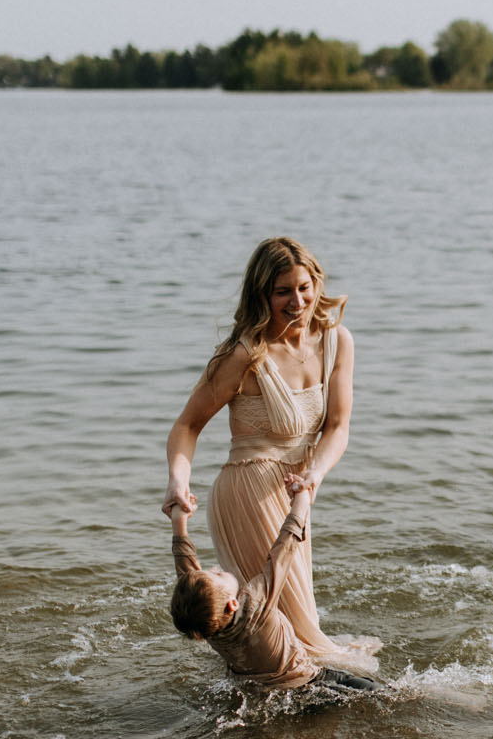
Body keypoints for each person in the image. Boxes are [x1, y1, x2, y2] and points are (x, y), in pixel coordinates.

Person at [163, 238, 380, 675]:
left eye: (304, 287)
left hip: (299, 486)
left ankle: (262, 699)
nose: (297, 301)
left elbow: (338, 428)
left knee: (289, 621)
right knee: (286, 623)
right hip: (249, 491)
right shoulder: (246, 353)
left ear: (317, 284)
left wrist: (313, 477)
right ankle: (310, 700)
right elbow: (187, 427)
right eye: (283, 291)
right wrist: (177, 479)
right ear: (262, 294)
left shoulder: (337, 342)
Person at [168, 477, 378, 696]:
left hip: (262, 690)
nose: (214, 567)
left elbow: (186, 570)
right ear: (232, 603)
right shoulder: (254, 603)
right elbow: (283, 552)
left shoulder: (204, 622)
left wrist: (179, 522)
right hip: (308, 683)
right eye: (219, 574)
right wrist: (302, 502)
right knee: (377, 691)